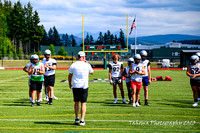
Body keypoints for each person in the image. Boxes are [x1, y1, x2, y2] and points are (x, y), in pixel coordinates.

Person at [68, 51, 94, 126]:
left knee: (76, 102)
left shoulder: (74, 64)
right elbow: (92, 72)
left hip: (76, 85)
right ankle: (82, 120)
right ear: (83, 57)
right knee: (83, 103)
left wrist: (70, 83)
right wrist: (87, 63)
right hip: (84, 86)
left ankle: (77, 118)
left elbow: (70, 75)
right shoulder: (87, 65)